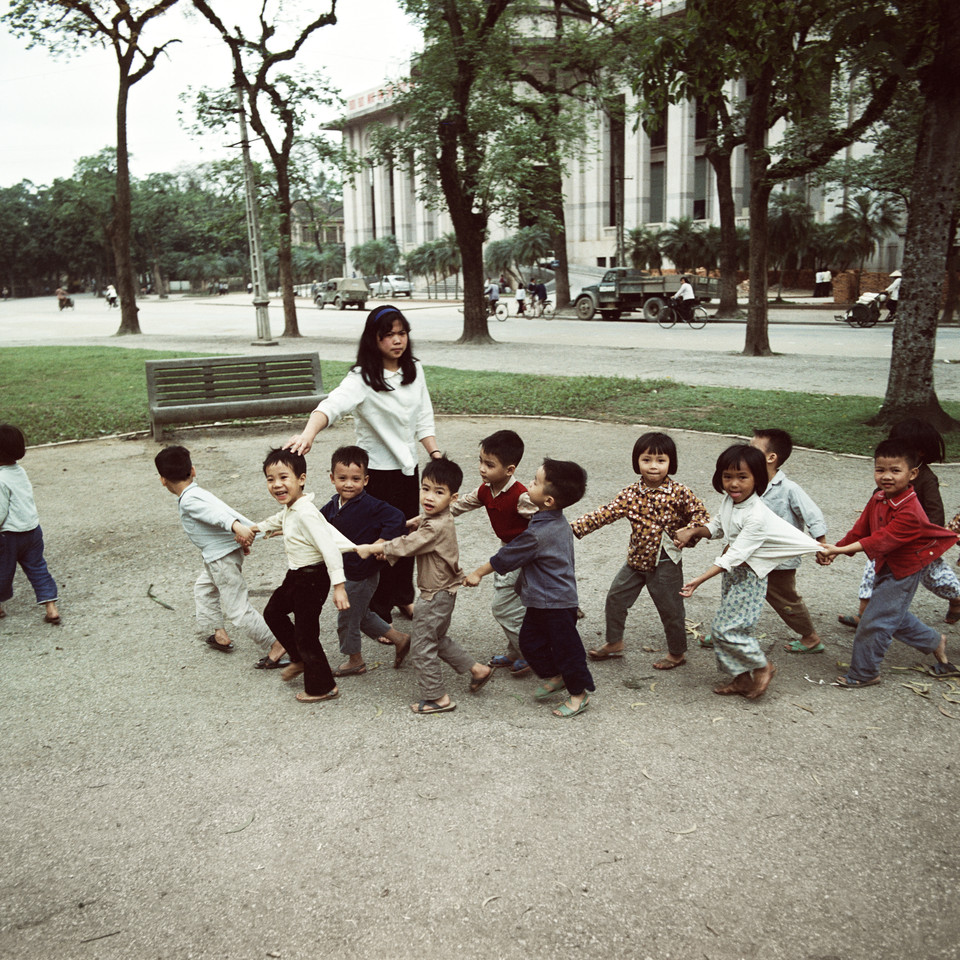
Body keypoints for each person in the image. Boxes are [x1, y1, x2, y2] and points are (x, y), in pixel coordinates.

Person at [284, 305, 442, 625]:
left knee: (405, 537)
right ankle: (377, 610)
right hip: (376, 475)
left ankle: (402, 597)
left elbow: (424, 417)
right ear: (374, 339)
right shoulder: (361, 378)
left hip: (407, 470)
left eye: (402, 333)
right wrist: (308, 434)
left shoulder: (414, 370)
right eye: (389, 335)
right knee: (377, 545)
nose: (397, 341)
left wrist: (435, 455)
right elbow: (331, 406)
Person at [674, 445, 823, 700]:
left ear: (758, 479)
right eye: (727, 476)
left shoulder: (757, 515)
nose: (734, 484)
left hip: (750, 578)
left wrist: (698, 580)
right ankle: (741, 679)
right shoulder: (730, 500)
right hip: (733, 576)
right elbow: (718, 526)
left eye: (742, 477)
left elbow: (734, 556)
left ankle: (763, 666)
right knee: (729, 630)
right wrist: (694, 531)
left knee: (724, 630)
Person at [354, 456, 494, 715]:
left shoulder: (435, 527)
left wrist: (374, 547)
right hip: (444, 592)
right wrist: (415, 521)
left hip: (435, 595)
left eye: (439, 492)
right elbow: (425, 526)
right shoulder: (437, 518)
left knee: (421, 646)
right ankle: (478, 669)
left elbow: (408, 545)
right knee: (436, 638)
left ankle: (437, 697)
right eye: (426, 489)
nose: (429, 497)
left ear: (453, 498)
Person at [820, 438, 959, 687]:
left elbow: (880, 540)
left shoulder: (911, 511)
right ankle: (934, 641)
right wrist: (836, 548)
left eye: (896, 470)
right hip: (885, 566)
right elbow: (861, 529)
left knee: (875, 621)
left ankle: (864, 673)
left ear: (912, 473)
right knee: (889, 614)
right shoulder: (879, 498)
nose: (887, 476)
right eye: (880, 469)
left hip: (904, 572)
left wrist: (839, 550)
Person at [464, 459, 594, 719]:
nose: (528, 485)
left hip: (557, 603)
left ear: (548, 501)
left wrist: (478, 572)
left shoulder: (540, 533)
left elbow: (507, 556)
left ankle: (579, 694)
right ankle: (555, 676)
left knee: (568, 651)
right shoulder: (550, 520)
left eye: (535, 482)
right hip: (539, 601)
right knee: (530, 643)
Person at [570, 432, 710, 670]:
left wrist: (690, 531)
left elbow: (702, 515)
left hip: (666, 561)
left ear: (671, 463)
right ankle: (614, 642)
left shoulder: (679, 492)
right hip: (635, 561)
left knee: (671, 609)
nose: (653, 466)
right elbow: (605, 513)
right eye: (646, 460)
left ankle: (677, 653)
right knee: (615, 598)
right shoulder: (630, 493)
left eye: (660, 460)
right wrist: (571, 529)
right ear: (637, 462)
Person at [155, 445, 284, 666]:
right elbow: (219, 513)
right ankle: (219, 635)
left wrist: (236, 527)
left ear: (162, 480)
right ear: (193, 471)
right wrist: (238, 535)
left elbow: (217, 515)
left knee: (237, 609)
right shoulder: (196, 492)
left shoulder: (189, 500)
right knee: (204, 589)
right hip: (220, 554)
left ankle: (276, 644)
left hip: (220, 560)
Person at [248, 449, 354, 703]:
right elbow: (279, 520)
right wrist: (256, 528)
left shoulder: (306, 512)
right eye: (270, 479)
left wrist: (339, 586)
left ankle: (323, 687)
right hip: (296, 575)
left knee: (307, 634)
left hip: (313, 578)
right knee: (273, 612)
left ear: (301, 479)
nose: (276, 485)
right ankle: (299, 658)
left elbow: (329, 548)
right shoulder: (292, 507)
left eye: (283, 477)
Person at [838, 419, 960, 629]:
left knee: (937, 580)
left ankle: (957, 599)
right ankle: (864, 614)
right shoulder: (891, 473)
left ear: (920, 452)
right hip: (886, 541)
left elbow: (935, 512)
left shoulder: (926, 479)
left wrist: (927, 538)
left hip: (918, 545)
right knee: (872, 570)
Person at [440, 429, 536, 677]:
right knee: (512, 602)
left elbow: (546, 522)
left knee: (503, 607)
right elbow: (458, 506)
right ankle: (515, 651)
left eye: (489, 464)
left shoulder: (521, 496)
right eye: (481, 461)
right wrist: (422, 519)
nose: (482, 469)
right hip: (508, 551)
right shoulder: (487, 488)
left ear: (510, 470)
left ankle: (530, 654)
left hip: (523, 556)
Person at [319, 445, 411, 676]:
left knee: (347, 618)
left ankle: (355, 660)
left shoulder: (371, 505)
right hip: (348, 571)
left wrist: (380, 543)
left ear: (366, 480)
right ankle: (399, 639)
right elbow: (315, 523)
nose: (349, 484)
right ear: (332, 478)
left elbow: (397, 518)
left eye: (356, 479)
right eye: (342, 478)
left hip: (362, 573)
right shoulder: (332, 506)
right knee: (360, 615)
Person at [749, 428, 828, 654]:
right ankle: (727, 632)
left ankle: (810, 637)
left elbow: (813, 515)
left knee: (785, 600)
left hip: (779, 560)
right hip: (749, 554)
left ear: (771, 458)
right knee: (736, 591)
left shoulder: (789, 489)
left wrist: (821, 546)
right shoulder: (748, 483)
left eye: (752, 449)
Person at [0, 424, 61, 625]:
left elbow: (1, 512)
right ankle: (51, 607)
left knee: (3, 571)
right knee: (37, 567)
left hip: (9, 535)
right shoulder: (18, 471)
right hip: (32, 531)